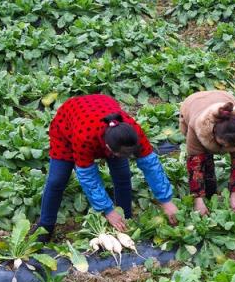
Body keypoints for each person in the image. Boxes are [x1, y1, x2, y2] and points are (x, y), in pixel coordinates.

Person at [37, 94, 177, 239]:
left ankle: (125, 218)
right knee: (57, 180)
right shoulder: (84, 137)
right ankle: (45, 227)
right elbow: (88, 177)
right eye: (119, 155)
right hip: (69, 124)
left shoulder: (131, 131)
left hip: (101, 111)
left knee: (122, 175)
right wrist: (107, 210)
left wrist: (166, 200)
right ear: (108, 148)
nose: (124, 158)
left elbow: (151, 165)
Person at [179, 90, 235, 216]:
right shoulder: (196, 126)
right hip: (193, 103)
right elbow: (195, 167)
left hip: (225, 97)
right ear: (213, 134)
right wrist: (198, 200)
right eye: (224, 145)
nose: (226, 149)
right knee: (204, 161)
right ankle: (208, 189)